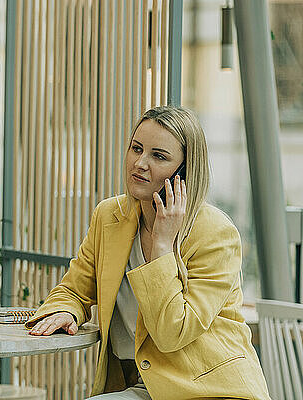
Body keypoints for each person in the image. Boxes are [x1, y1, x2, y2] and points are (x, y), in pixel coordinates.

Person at [25, 106, 271, 399]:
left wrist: (163, 246)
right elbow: (74, 289)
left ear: (184, 172)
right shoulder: (109, 217)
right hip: (144, 387)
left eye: (159, 156)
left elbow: (172, 334)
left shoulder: (214, 234)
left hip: (210, 390)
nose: (140, 163)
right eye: (136, 149)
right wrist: (66, 309)